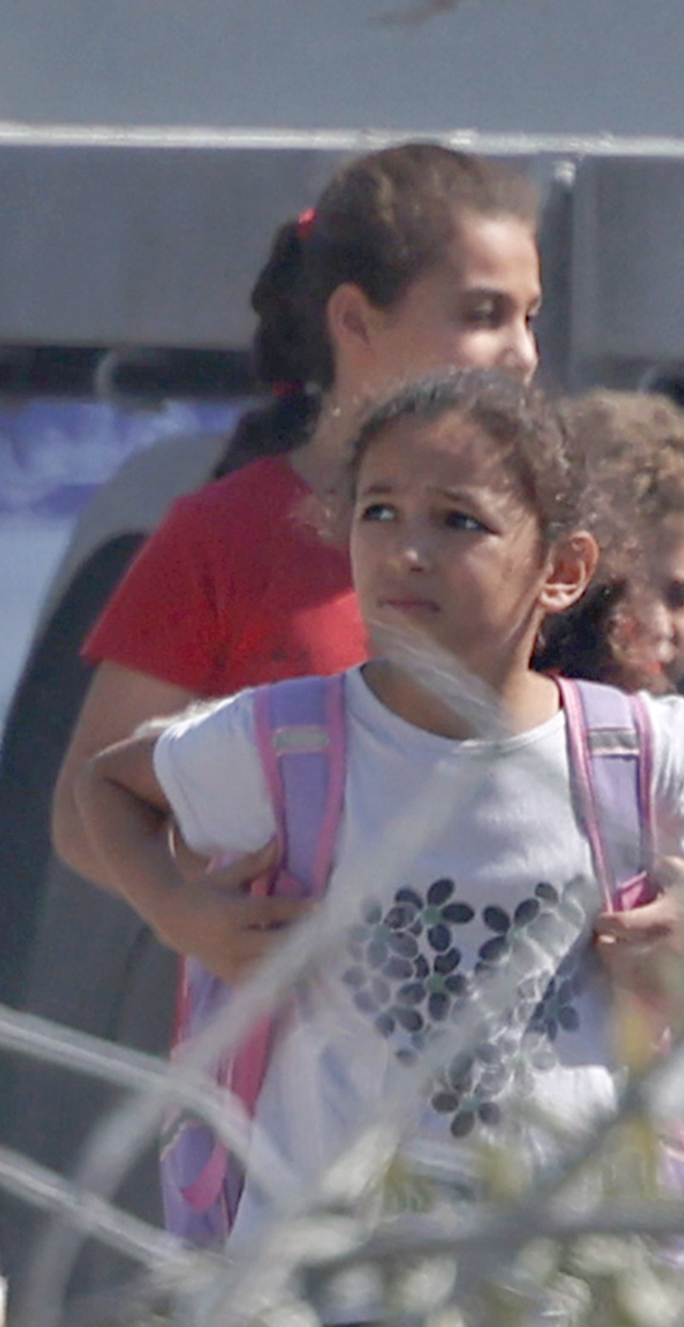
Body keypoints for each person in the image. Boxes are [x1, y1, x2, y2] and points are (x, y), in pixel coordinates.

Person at [73, 366, 684, 1212]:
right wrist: (179, 913)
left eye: (459, 521)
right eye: (379, 511)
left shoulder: (626, 747)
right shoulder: (287, 740)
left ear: (563, 569)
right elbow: (108, 784)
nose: (407, 551)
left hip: (576, 1262)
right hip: (331, 1260)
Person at [47, 141, 543, 932]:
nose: (522, 354)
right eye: (483, 315)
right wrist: (188, 907)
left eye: (529, 316)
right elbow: (88, 811)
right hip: (285, 995)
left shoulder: (550, 539)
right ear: (355, 321)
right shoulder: (222, 535)